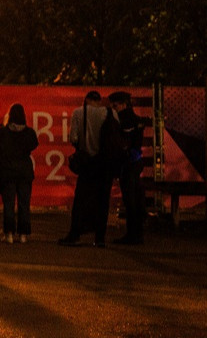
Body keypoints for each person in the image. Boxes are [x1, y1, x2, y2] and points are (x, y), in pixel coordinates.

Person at [59, 90, 111, 247]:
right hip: (105, 163)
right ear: (99, 101)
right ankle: (100, 237)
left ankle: (75, 234)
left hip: (87, 163)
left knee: (81, 199)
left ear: (86, 100)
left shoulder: (79, 113)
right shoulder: (110, 113)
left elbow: (73, 138)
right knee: (103, 200)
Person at [0, 103, 38, 244]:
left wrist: (1, 127)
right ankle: (23, 234)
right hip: (24, 172)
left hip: (8, 171)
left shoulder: (3, 133)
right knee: (24, 203)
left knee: (8, 204)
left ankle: (9, 233)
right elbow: (34, 145)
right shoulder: (29, 133)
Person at [107, 92, 147, 245]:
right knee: (134, 199)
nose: (113, 108)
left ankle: (133, 235)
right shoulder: (135, 120)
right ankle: (136, 233)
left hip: (128, 163)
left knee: (130, 200)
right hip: (134, 162)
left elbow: (121, 142)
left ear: (123, 104)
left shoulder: (123, 120)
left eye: (115, 105)